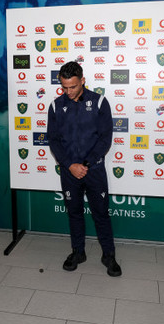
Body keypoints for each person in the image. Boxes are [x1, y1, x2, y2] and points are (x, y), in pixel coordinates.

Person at [47, 61, 121, 277]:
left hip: (94, 170)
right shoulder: (55, 106)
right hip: (69, 172)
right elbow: (53, 140)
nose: (68, 92)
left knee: (101, 214)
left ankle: (109, 255)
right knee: (74, 213)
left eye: (73, 87)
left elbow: (105, 139)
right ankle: (78, 252)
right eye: (64, 87)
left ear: (83, 81)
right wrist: (70, 165)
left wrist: (86, 164)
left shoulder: (99, 103)